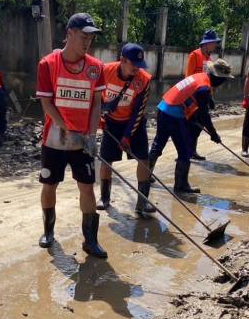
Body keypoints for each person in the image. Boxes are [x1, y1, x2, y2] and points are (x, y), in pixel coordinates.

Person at [37, 13, 107, 258]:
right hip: (55, 140)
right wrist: (66, 129)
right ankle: (48, 231)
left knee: (87, 188)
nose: (87, 41)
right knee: (49, 184)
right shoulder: (48, 64)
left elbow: (96, 104)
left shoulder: (96, 68)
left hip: (83, 142)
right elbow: (47, 104)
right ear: (69, 33)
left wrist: (89, 135)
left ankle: (90, 240)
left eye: (90, 38)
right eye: (83, 36)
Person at [149, 60, 231, 194]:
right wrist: (213, 133)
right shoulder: (204, 87)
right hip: (174, 114)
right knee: (185, 150)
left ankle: (146, 175)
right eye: (224, 80)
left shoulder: (199, 77)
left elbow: (192, 97)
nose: (223, 83)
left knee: (159, 143)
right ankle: (181, 185)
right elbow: (204, 115)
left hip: (163, 108)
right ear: (218, 78)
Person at [96, 43, 154, 218]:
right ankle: (104, 198)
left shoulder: (144, 79)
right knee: (106, 160)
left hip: (133, 123)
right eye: (133, 65)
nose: (137, 69)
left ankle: (142, 203)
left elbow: (139, 111)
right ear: (122, 60)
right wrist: (98, 118)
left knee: (143, 159)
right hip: (111, 122)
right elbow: (95, 96)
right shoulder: (105, 71)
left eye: (140, 65)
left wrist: (127, 136)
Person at [186, 30, 221, 161]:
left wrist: (210, 96)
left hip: (203, 96)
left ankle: (192, 151)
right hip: (193, 96)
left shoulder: (209, 59)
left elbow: (209, 80)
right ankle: (186, 152)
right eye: (214, 43)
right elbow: (188, 77)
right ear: (207, 43)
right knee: (190, 126)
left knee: (198, 126)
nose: (215, 46)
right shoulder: (194, 55)